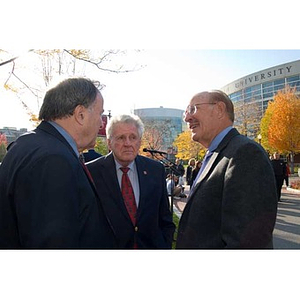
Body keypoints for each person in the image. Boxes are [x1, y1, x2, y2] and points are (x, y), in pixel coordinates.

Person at [0, 78, 117, 249]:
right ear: (80, 115)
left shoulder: (28, 144)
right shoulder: (54, 160)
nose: (102, 123)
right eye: (100, 114)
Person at [176, 90, 278, 249]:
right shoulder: (215, 154)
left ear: (219, 110)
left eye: (193, 109)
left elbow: (248, 243)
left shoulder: (246, 153)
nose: (188, 118)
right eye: (186, 112)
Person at [87, 114, 175, 249]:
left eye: (133, 137)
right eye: (121, 138)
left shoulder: (155, 170)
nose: (127, 143)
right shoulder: (91, 172)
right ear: (109, 142)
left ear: (139, 142)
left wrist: (165, 244)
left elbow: (164, 218)